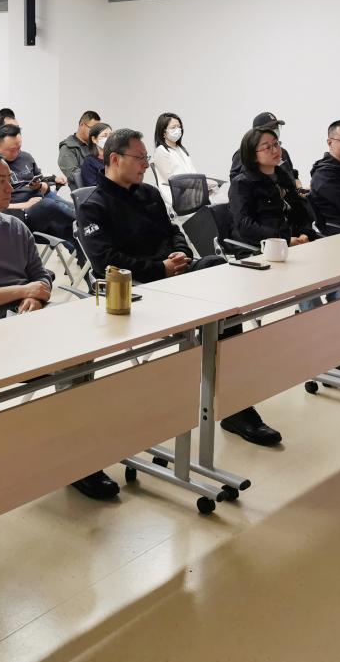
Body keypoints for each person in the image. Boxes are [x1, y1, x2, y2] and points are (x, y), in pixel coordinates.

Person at [76, 129, 282, 447]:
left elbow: (173, 230)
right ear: (114, 159)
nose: (145, 164)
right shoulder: (94, 205)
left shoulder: (148, 194)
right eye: (139, 158)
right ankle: (219, 391)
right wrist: (160, 268)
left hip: (175, 275)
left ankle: (233, 401)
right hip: (140, 288)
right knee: (214, 307)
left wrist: (181, 254)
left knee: (216, 267)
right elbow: (106, 262)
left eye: (146, 157)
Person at [0, 151, 119, 500]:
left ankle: (78, 459)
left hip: (27, 322)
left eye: (10, 180)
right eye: (0, 181)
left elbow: (41, 274)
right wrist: (24, 291)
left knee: (79, 357)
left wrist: (37, 295)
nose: (10, 187)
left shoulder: (15, 226)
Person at [0, 124, 79, 253]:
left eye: (19, 148)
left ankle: (85, 260)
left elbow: (43, 185)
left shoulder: (26, 157)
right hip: (20, 215)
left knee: (69, 225)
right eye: (12, 150)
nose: (17, 153)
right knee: (49, 205)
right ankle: (88, 220)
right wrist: (25, 205)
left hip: (42, 205)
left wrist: (39, 185)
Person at [229, 127, 314, 248]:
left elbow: (300, 211)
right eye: (267, 147)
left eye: (276, 144)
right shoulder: (242, 184)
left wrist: (305, 233)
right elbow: (245, 225)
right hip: (266, 247)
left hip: (296, 241)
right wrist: (283, 240)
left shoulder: (283, 177)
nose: (275, 150)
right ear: (253, 155)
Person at [230, 112, 302, 187]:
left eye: (277, 127)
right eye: (271, 128)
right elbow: (237, 182)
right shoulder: (245, 152)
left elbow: (291, 173)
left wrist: (298, 184)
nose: (275, 130)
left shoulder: (282, 152)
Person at [58, 110, 101, 187]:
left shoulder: (96, 145)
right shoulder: (68, 147)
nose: (95, 133)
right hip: (86, 191)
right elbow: (75, 176)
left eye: (97, 130)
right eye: (92, 128)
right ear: (82, 125)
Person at [79, 123, 112, 189]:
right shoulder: (89, 162)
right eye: (104, 136)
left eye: (111, 136)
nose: (109, 139)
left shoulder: (115, 158)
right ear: (94, 139)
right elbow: (92, 187)